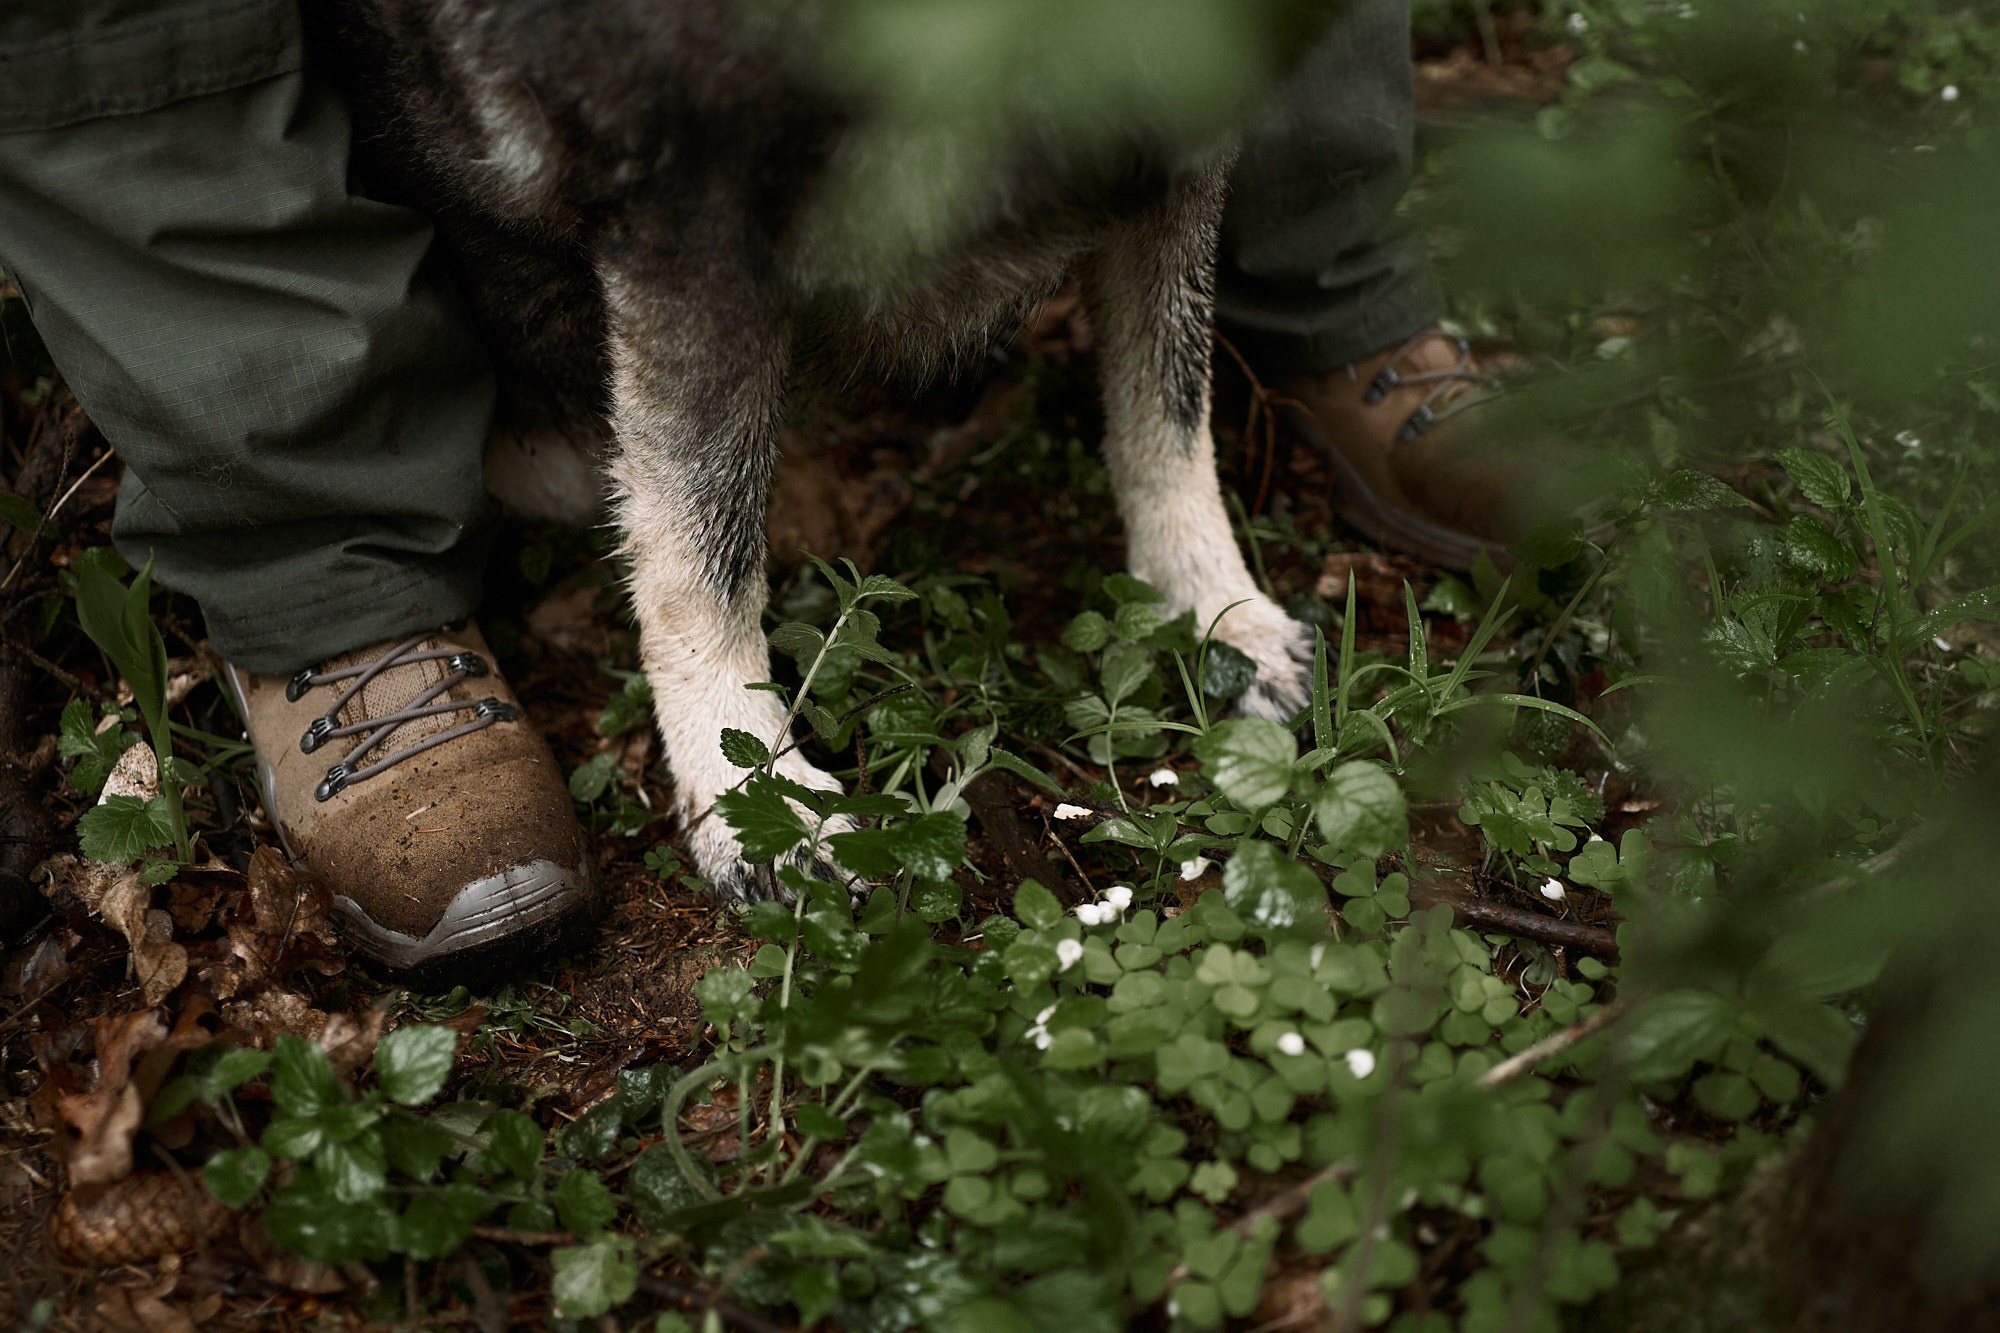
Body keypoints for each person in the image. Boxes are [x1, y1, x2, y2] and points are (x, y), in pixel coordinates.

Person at [0, 0, 1515, 977]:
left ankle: (1280, 377)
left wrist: (1188, 550)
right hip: (566, 304)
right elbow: (685, 227)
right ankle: (347, 561)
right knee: (703, 136)